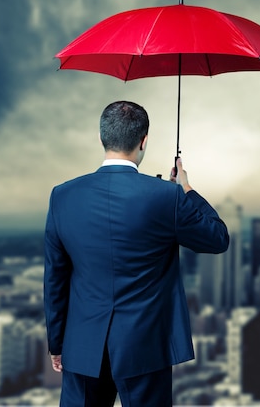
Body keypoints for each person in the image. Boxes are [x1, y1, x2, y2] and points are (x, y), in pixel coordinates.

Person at [44, 100, 229, 406]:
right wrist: (186, 189)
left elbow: (55, 277)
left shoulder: (62, 196)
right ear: (143, 141)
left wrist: (57, 342)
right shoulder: (166, 197)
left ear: (102, 137)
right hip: (146, 345)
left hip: (82, 344)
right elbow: (217, 238)